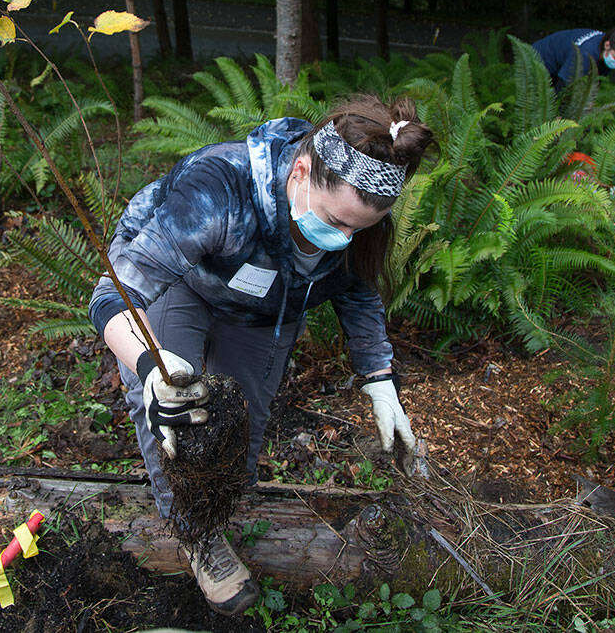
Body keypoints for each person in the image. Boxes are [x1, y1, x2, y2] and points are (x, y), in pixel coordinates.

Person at [88, 95, 433, 616]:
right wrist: (147, 365)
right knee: (176, 414)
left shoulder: (355, 217)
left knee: (240, 421)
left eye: (357, 230)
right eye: (336, 221)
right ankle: (195, 536)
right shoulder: (219, 191)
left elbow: (357, 291)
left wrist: (379, 381)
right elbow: (115, 296)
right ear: (300, 171)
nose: (341, 240)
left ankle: (215, 510)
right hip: (175, 284)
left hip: (264, 306)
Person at [532, 22, 615, 92]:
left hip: (561, 64)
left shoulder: (607, 51)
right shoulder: (585, 54)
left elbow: (594, 84)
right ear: (607, 45)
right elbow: (563, 87)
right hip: (539, 59)